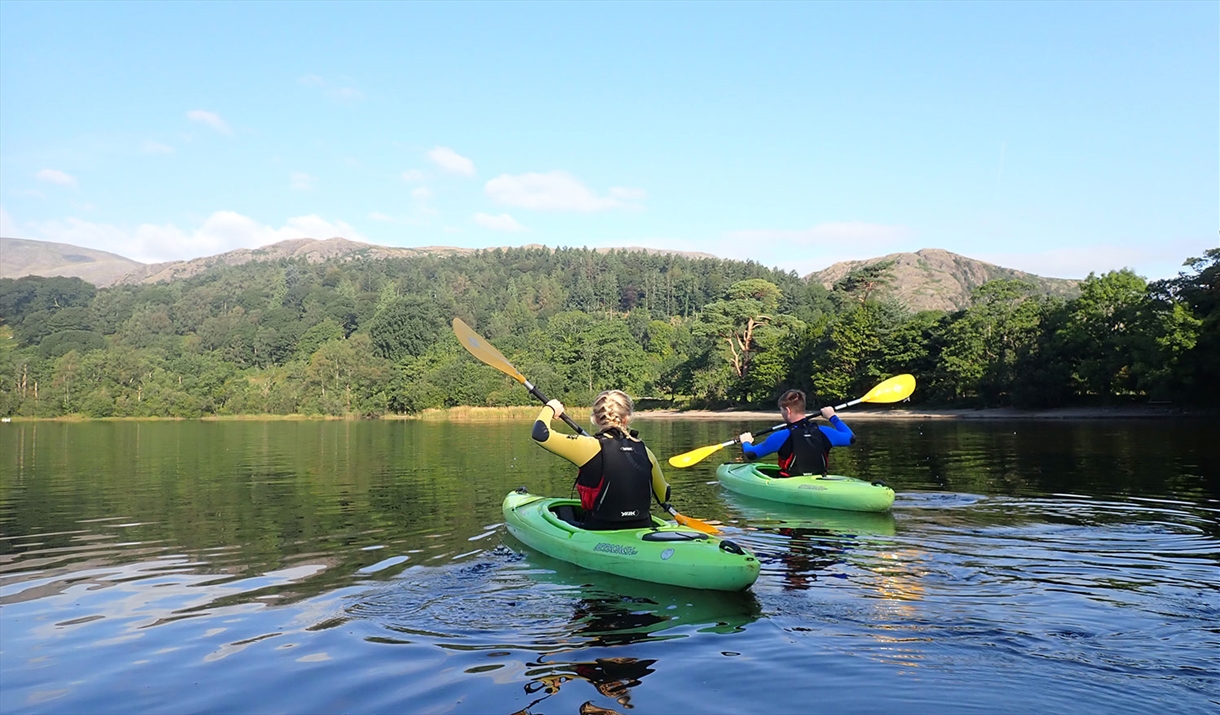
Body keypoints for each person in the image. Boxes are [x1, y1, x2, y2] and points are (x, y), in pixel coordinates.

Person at [531, 389, 671, 530]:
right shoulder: (645, 451)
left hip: (600, 529)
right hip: (642, 527)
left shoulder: (588, 447)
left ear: (595, 419)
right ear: (627, 418)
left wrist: (550, 407)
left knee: (562, 516)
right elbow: (664, 496)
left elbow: (540, 434)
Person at [737, 389, 855, 477]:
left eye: (781, 410)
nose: (782, 414)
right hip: (820, 479)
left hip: (789, 481)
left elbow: (751, 454)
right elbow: (851, 438)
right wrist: (832, 417)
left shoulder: (781, 436)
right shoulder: (825, 431)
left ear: (787, 410)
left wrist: (746, 442)